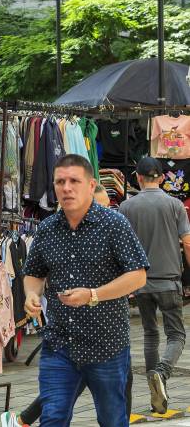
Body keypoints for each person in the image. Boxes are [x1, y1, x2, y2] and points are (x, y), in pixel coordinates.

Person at [22, 154, 148, 427]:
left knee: (112, 420)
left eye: (74, 181)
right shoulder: (46, 229)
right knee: (52, 417)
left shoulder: (114, 225)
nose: (66, 188)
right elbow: (34, 272)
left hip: (106, 345)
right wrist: (31, 294)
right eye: (60, 182)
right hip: (59, 344)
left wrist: (93, 295)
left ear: (91, 185)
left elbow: (138, 276)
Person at [118, 156, 190, 414]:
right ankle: (162, 372)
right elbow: (188, 241)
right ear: (161, 177)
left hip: (140, 282)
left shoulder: (126, 207)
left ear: (137, 177)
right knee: (177, 334)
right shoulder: (175, 205)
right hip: (169, 280)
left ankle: (155, 392)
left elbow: (121, 248)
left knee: (150, 334)